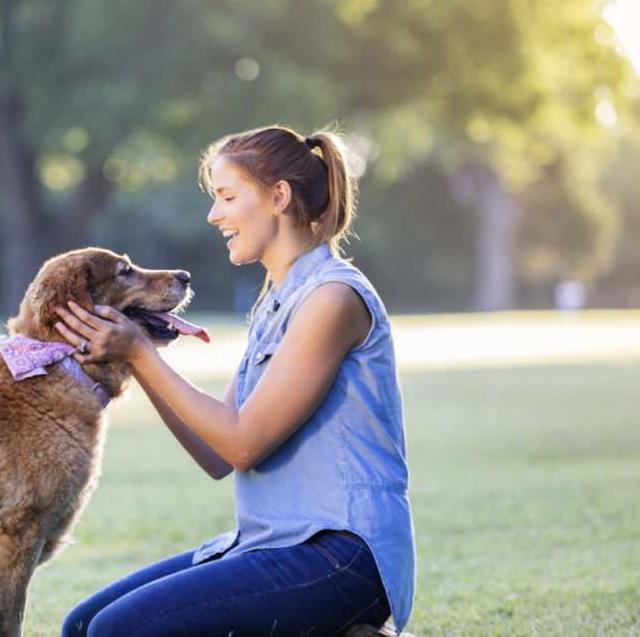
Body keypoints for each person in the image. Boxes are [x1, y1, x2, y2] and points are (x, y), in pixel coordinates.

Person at [55, 125, 415, 637]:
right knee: (83, 624)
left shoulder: (331, 300)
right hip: (276, 543)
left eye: (227, 197)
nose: (214, 214)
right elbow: (217, 454)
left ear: (279, 197)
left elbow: (243, 446)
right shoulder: (276, 303)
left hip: (344, 556)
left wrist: (139, 352)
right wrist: (135, 355)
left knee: (117, 632)